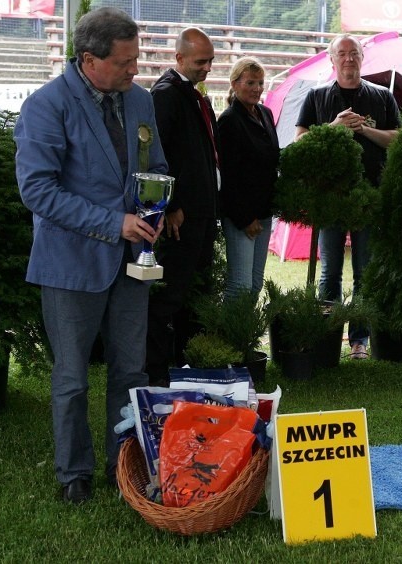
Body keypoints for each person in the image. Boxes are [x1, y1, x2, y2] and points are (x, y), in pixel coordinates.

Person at [14, 7, 168, 503]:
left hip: (132, 261)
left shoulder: (140, 101)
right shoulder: (46, 105)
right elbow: (37, 190)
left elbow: (157, 165)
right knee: (72, 379)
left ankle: (122, 468)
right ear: (89, 60)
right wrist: (114, 223)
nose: (134, 70)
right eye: (125, 62)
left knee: (131, 373)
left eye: (136, 60)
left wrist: (157, 207)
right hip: (70, 266)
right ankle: (73, 475)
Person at [294, 33, 401, 359]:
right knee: (330, 272)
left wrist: (364, 129)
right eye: (343, 54)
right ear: (332, 59)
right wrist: (335, 127)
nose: (349, 59)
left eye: (354, 53)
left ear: (362, 57)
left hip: (368, 197)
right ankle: (328, 337)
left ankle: (359, 341)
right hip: (331, 198)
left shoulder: (382, 97)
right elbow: (300, 143)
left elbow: (397, 139)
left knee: (365, 273)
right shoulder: (316, 96)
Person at [147, 27, 219, 384]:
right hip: (181, 215)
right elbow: (156, 154)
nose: (207, 67)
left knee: (191, 293)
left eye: (210, 60)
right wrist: (170, 204)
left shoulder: (191, 94)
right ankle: (158, 373)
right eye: (200, 61)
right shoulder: (165, 94)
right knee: (170, 296)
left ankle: (185, 366)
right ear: (179, 59)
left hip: (200, 211)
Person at [218, 57, 280, 299]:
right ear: (235, 84)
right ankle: (228, 336)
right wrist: (245, 218)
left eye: (261, 83)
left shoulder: (265, 112)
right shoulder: (229, 120)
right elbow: (228, 176)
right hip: (241, 216)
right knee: (239, 286)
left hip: (264, 212)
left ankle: (244, 336)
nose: (257, 88)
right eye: (250, 82)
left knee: (254, 285)